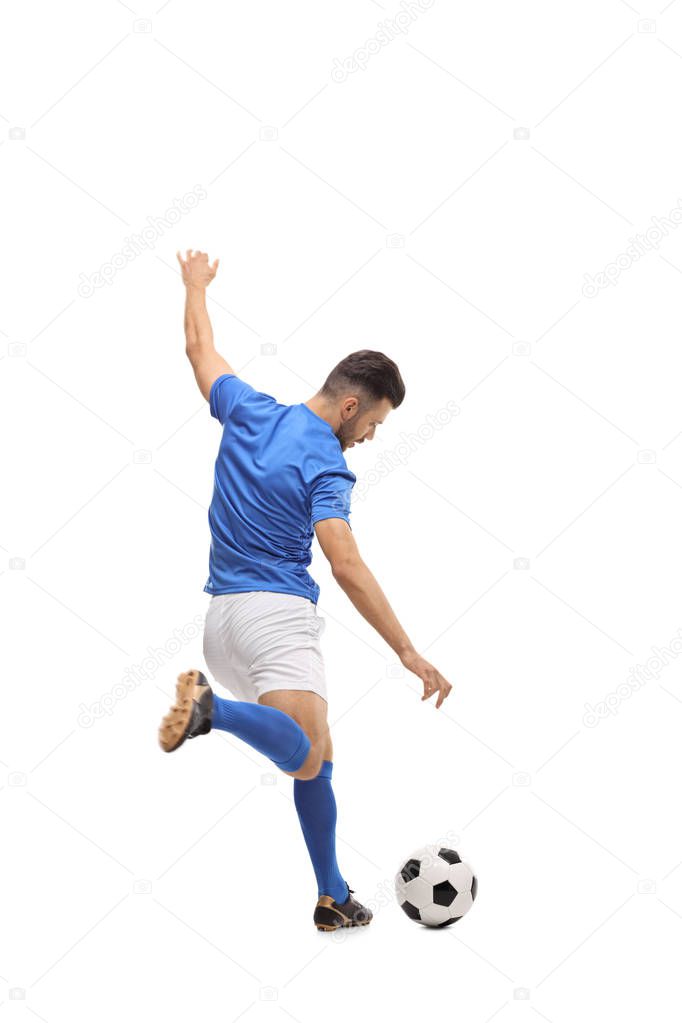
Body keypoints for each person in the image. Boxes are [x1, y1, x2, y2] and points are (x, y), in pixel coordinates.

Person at [158, 249, 452, 932]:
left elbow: (199, 347)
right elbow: (345, 564)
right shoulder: (326, 463)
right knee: (309, 749)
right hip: (278, 617)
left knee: (315, 761)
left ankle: (333, 894)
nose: (370, 436)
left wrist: (195, 285)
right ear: (350, 405)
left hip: (222, 620)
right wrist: (407, 651)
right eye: (372, 422)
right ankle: (212, 711)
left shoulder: (250, 409)